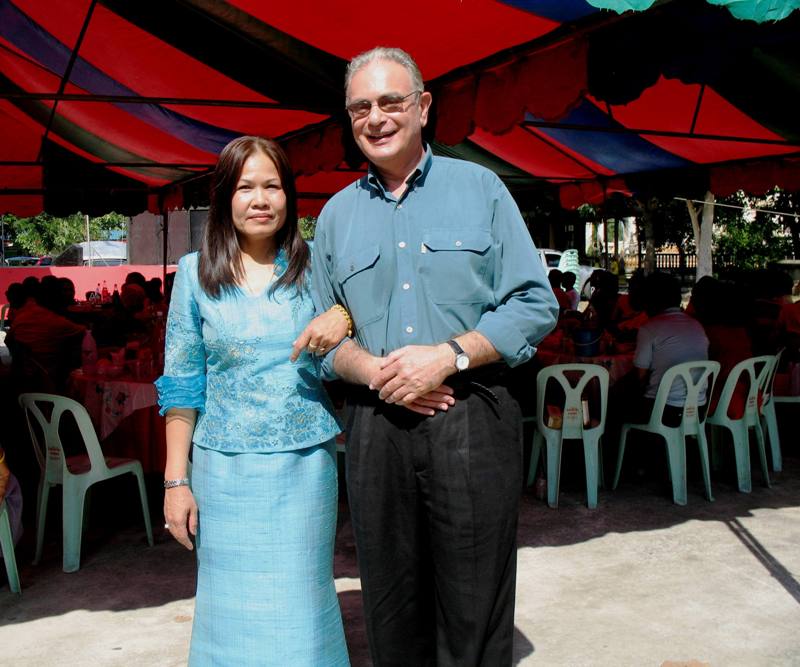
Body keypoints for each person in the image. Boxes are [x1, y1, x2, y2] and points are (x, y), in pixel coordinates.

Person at [311, 47, 558, 666]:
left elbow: (534, 302)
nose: (377, 118)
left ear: (422, 106)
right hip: (375, 424)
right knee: (391, 602)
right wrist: (378, 372)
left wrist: (448, 355)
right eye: (361, 107)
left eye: (391, 101)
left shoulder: (482, 189)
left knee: (475, 600)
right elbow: (320, 340)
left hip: (471, 410)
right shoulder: (335, 216)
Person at [155, 136, 351, 666]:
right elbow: (181, 382)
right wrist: (177, 481)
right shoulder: (194, 275)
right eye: (246, 187)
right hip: (223, 471)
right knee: (229, 609)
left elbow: (358, 326)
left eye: (273, 186)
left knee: (303, 603)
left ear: (289, 196)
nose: (260, 199)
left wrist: (344, 317)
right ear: (225, 197)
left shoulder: (315, 268)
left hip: (304, 466)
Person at [631, 272, 709, 425]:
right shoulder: (696, 326)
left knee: (613, 403)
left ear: (649, 301)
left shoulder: (650, 328)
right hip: (698, 410)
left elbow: (639, 376)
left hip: (664, 412)